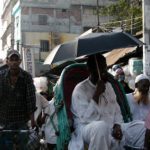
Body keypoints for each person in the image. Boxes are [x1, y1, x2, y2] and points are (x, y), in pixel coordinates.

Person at [68, 54, 123, 150]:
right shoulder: (80, 89)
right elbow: (86, 118)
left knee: (138, 128)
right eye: (100, 68)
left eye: (105, 67)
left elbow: (117, 110)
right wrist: (97, 94)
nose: (104, 72)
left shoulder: (109, 86)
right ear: (90, 70)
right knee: (101, 127)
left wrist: (117, 125)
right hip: (87, 129)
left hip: (111, 127)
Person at [0, 50, 36, 149]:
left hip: (21, 120)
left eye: (16, 60)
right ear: (7, 61)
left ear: (20, 61)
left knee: (23, 146)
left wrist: (32, 119)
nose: (14, 62)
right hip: (4, 119)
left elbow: (31, 99)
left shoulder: (26, 77)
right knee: (5, 146)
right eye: (12, 59)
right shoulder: (1, 76)